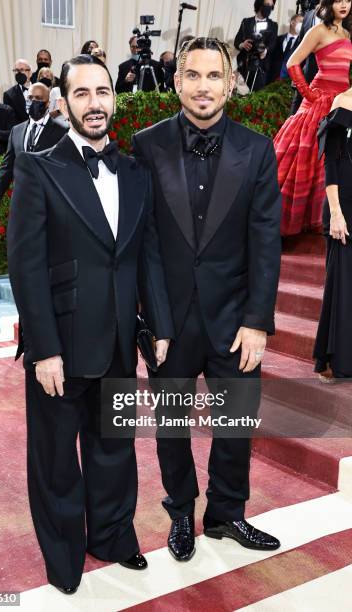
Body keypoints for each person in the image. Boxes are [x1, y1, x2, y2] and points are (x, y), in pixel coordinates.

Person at [7, 54, 174, 594]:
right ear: (64, 102)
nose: (95, 103)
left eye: (103, 92)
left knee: (114, 448)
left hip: (121, 339)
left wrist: (162, 325)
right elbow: (25, 263)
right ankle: (63, 558)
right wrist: (43, 350)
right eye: (82, 94)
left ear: (114, 98)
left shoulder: (134, 172)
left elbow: (146, 254)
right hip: (61, 345)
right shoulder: (39, 166)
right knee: (56, 457)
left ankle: (112, 536)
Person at [132, 37, 282, 562]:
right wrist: (151, 320)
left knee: (236, 424)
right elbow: (141, 240)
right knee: (171, 427)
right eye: (192, 76)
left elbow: (265, 239)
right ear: (177, 83)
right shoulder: (145, 146)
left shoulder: (258, 149)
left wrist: (258, 321)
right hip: (168, 322)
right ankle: (180, 515)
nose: (202, 87)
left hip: (235, 320)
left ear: (231, 83)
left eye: (213, 76)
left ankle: (227, 514)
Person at [274, 0, 352, 236]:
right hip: (318, 103)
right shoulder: (318, 31)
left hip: (343, 102)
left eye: (348, 0)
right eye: (338, 0)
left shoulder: (349, 33)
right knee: (309, 159)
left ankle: (329, 219)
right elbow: (292, 63)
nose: (344, 5)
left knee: (336, 161)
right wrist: (308, 94)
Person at [0, 83, 67, 220]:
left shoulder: (62, 131)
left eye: (38, 99)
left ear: (48, 103)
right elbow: (6, 168)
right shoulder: (16, 131)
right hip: (23, 207)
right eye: (30, 98)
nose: (33, 102)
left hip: (53, 207)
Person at [313, 90, 352, 380]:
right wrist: (337, 213)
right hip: (344, 209)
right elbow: (332, 164)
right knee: (342, 287)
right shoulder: (343, 102)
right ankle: (339, 360)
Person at [234, 0, 278, 92]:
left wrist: (264, 51)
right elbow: (237, 41)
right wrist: (243, 44)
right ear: (259, 4)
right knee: (240, 93)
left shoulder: (273, 25)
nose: (268, 8)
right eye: (266, 4)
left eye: (271, 5)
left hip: (261, 67)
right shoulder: (246, 22)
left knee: (256, 96)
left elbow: (273, 44)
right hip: (244, 64)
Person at [290, 0, 321, 114]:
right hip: (304, 79)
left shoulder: (337, 18)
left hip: (324, 84)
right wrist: (295, 80)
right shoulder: (308, 16)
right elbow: (299, 47)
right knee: (293, 117)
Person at [269, 14, 304, 81]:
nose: (302, 24)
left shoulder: (302, 43)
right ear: (292, 22)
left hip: (289, 81)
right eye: (300, 21)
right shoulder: (277, 39)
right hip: (272, 79)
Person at [4, 59, 32, 123]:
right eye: (16, 70)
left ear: (29, 72)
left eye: (22, 70)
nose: (19, 73)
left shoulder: (40, 89)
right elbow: (11, 119)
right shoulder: (8, 95)